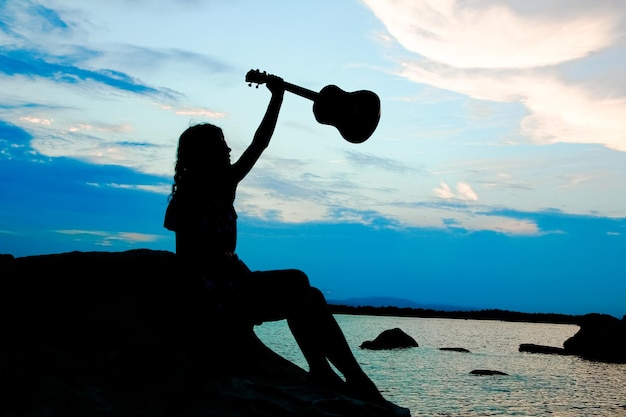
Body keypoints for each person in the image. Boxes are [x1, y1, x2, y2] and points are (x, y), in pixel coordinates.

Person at [163, 73, 384, 402]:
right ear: (205, 154)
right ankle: (321, 370)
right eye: (221, 146)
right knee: (297, 281)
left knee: (314, 296)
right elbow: (187, 262)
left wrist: (277, 95)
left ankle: (356, 377)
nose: (229, 149)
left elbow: (258, 144)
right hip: (218, 295)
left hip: (233, 282)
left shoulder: (224, 185)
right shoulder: (191, 197)